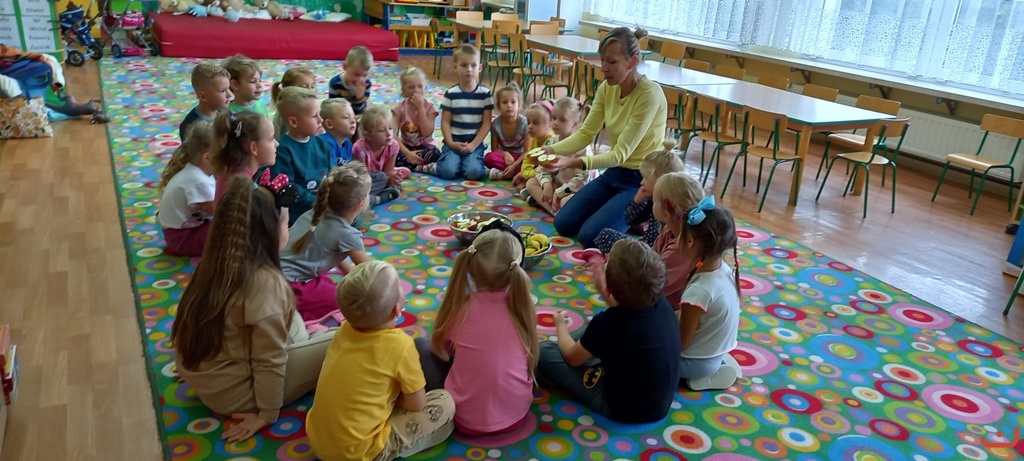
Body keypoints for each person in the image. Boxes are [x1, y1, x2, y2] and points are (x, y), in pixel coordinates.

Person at [172, 174, 334, 443]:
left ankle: (304, 346)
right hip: (240, 395)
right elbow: (269, 361)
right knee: (349, 337)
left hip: (211, 380)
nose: (289, 228)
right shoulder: (265, 284)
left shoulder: (215, 262)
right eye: (286, 223)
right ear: (270, 232)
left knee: (286, 316)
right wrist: (267, 414)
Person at [306, 261, 456, 461]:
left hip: (319, 441)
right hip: (359, 452)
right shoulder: (401, 345)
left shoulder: (343, 330)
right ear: (396, 310)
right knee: (445, 402)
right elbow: (417, 405)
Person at [535, 27, 667, 248]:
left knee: (590, 236)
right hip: (614, 173)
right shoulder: (607, 88)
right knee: (564, 222)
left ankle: (641, 212)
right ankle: (624, 215)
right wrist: (552, 150)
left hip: (641, 180)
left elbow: (620, 154)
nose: (604, 68)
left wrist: (570, 161)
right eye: (602, 60)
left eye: (612, 62)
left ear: (632, 62)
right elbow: (586, 133)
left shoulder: (649, 96)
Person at [537, 239, 680, 422]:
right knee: (591, 337)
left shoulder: (608, 322)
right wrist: (602, 287)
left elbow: (572, 358)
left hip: (622, 408)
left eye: (608, 260)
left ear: (610, 288)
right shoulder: (660, 302)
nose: (605, 258)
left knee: (543, 352)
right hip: (659, 402)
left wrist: (560, 326)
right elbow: (626, 313)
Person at [416, 225, 537, 435]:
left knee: (420, 345)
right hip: (517, 415)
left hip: (463, 419)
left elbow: (440, 350)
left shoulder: (460, 308)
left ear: (470, 267)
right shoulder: (524, 309)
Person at [281, 162, 374, 323]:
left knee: (329, 284)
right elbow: (371, 272)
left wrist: (349, 271)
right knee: (347, 303)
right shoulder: (347, 234)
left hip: (275, 273)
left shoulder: (315, 213)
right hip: (290, 287)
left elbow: (332, 250)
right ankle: (295, 314)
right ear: (360, 203)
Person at [676, 196, 744, 391]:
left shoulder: (699, 291)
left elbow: (681, 343)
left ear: (690, 241)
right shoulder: (723, 269)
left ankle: (703, 376)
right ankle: (716, 364)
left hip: (694, 363)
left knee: (641, 356)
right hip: (716, 351)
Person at [592, 141, 687, 254]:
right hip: (645, 246)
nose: (642, 182)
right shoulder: (653, 198)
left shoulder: (671, 207)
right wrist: (638, 200)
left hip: (653, 255)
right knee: (606, 234)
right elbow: (632, 220)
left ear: (660, 180)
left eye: (646, 178)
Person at [419, 45, 493, 180]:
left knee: (473, 173)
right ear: (455, 67)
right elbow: (445, 122)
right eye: (464, 65)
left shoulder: (485, 94)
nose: (469, 69)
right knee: (448, 172)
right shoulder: (451, 94)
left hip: (474, 142)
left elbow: (486, 124)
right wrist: (451, 143)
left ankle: (465, 162)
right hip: (453, 142)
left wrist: (473, 145)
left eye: (473, 65)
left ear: (480, 68)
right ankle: (436, 166)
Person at [270, 87, 333, 225]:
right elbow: (289, 188)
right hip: (300, 212)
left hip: (324, 202)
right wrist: (317, 202)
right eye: (314, 116)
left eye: (320, 114)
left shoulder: (321, 142)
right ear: (293, 122)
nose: (321, 120)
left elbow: (332, 173)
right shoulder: (283, 149)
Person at [524, 97, 593, 215]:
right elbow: (542, 169)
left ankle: (550, 204)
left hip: (575, 190)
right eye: (554, 118)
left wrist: (559, 192)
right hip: (557, 185)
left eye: (562, 120)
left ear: (575, 123)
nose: (555, 123)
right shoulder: (551, 142)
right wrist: (547, 185)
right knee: (531, 183)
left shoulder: (583, 148)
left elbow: (582, 180)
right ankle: (554, 210)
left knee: (566, 201)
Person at [159, 120, 215, 257]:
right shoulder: (199, 180)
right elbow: (220, 212)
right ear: (207, 157)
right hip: (183, 239)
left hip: (187, 231)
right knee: (232, 228)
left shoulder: (198, 171)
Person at [209, 110, 277, 208]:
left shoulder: (234, 174)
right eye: (271, 139)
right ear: (253, 148)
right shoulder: (240, 188)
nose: (277, 144)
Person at [392, 66, 441, 169]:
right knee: (390, 151)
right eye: (411, 87)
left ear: (425, 87)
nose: (416, 90)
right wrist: (407, 153)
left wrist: (420, 108)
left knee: (436, 153)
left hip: (425, 147)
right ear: (404, 90)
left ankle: (412, 166)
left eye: (420, 86)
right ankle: (422, 167)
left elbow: (427, 132)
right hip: (406, 147)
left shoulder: (430, 107)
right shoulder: (399, 108)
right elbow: (393, 134)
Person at [352, 106, 410, 192]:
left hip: (380, 177)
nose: (389, 134)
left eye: (390, 128)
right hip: (366, 179)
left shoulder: (393, 145)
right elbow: (363, 178)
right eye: (382, 130)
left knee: (394, 182)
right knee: (380, 178)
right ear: (368, 135)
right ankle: (378, 196)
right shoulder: (359, 149)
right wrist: (386, 180)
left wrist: (392, 178)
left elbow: (388, 171)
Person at [483, 82, 527, 181]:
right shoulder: (495, 124)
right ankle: (517, 173)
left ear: (519, 104)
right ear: (498, 105)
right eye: (505, 102)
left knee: (532, 161)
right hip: (504, 158)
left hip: (521, 158)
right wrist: (505, 154)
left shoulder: (525, 123)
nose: (509, 105)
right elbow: (495, 149)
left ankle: (505, 173)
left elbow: (527, 151)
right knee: (488, 158)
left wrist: (514, 165)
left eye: (513, 102)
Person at [179, 62, 232, 141]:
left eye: (229, 88)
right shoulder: (191, 127)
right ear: (203, 96)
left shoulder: (225, 113)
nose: (230, 95)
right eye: (223, 90)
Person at [511, 100, 557, 189]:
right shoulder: (535, 138)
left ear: (549, 124)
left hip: (550, 175)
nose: (530, 126)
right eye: (528, 122)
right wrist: (524, 173)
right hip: (537, 172)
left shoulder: (551, 142)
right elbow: (527, 159)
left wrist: (524, 175)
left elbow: (546, 170)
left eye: (535, 123)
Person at [271, 66, 317, 137]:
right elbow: (276, 136)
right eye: (304, 87)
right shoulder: (282, 114)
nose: (310, 90)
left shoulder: (315, 108)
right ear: (288, 89)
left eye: (312, 86)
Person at [328, 46, 374, 116]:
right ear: (345, 66)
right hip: (340, 116)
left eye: (365, 76)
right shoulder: (335, 83)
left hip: (357, 116)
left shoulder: (366, 85)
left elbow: (359, 112)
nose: (360, 79)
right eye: (357, 74)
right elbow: (333, 110)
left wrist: (359, 97)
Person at [319, 98, 357, 166]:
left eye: (353, 117)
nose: (353, 121)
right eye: (346, 117)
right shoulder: (326, 143)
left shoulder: (347, 143)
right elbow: (331, 171)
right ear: (329, 124)